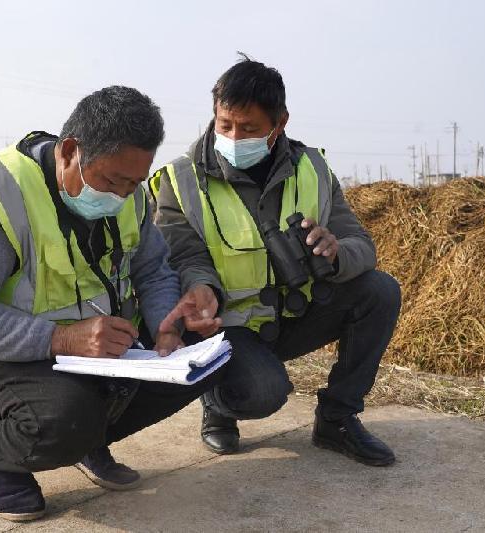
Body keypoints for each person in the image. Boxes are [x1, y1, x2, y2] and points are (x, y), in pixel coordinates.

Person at [0, 86, 221, 522]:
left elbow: (153, 270)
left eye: (134, 183)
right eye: (111, 181)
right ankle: (1, 454)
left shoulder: (131, 194)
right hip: (5, 354)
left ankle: (85, 440)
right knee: (62, 418)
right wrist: (61, 337)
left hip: (95, 351)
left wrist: (165, 324)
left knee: (194, 364)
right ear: (68, 153)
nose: (121, 196)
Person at [150, 56, 401, 466]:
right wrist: (202, 288)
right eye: (224, 125)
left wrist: (336, 252)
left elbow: (362, 245)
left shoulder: (314, 168)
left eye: (249, 128)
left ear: (279, 123)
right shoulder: (180, 180)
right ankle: (217, 402)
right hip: (228, 326)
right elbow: (183, 253)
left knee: (380, 290)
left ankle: (337, 419)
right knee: (263, 394)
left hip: (296, 313)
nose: (234, 136)